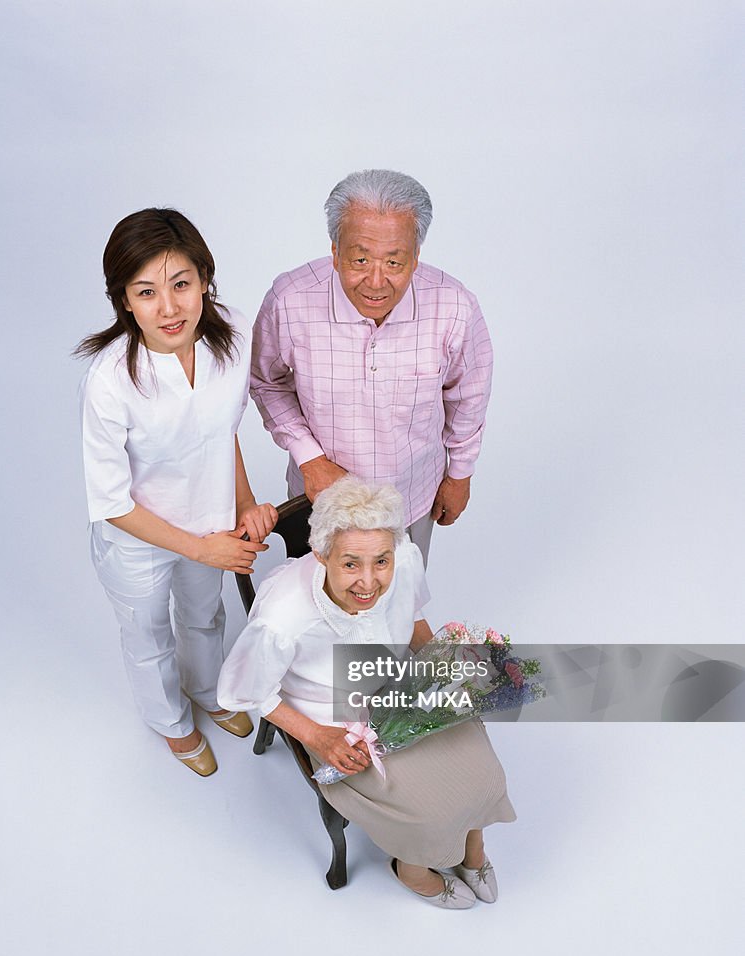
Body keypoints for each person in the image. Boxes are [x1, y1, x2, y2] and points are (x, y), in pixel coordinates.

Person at [217, 476, 515, 907]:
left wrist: (443, 666)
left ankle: (474, 851)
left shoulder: (406, 559)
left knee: (486, 774)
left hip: (398, 685)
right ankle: (411, 868)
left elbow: (412, 616)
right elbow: (245, 691)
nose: (369, 582)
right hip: (334, 719)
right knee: (431, 808)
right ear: (322, 555)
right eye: (351, 564)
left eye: (381, 561)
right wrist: (319, 738)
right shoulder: (282, 617)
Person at [76, 208, 278, 777]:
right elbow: (112, 502)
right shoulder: (110, 381)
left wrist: (243, 503)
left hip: (209, 522)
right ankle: (171, 722)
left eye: (181, 284)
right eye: (146, 292)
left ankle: (210, 690)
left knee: (204, 616)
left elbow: (222, 433)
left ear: (205, 280)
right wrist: (200, 549)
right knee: (147, 635)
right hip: (137, 539)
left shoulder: (234, 336)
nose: (169, 308)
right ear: (124, 301)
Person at [250, 168, 493, 565]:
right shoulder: (290, 300)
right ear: (334, 250)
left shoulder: (454, 306)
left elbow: (469, 395)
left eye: (395, 263)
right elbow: (266, 382)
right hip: (321, 496)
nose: (376, 282)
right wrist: (308, 458)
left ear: (416, 257)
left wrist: (460, 474)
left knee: (400, 607)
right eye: (360, 259)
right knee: (319, 613)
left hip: (411, 495)